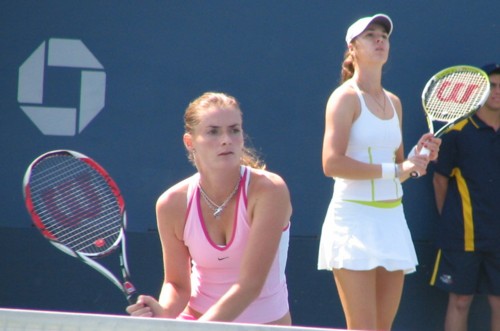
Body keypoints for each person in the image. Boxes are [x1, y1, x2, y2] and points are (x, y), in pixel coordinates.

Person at [317, 14, 441, 330]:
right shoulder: (344, 98)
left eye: (383, 35)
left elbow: (398, 171)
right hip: (353, 222)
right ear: (352, 48)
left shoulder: (395, 103)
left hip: (391, 222)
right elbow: (332, 164)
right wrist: (398, 168)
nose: (379, 40)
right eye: (370, 35)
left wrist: (416, 160)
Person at [126, 92, 292, 325]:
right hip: (196, 319)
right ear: (190, 142)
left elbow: (250, 285)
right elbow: (177, 285)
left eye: (234, 130)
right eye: (213, 131)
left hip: (262, 325)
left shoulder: (270, 190)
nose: (226, 139)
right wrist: (163, 315)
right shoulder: (171, 203)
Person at [430, 63, 500, 331]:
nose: (497, 92)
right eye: (491, 86)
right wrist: (452, 221)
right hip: (462, 236)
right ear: (479, 91)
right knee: (460, 300)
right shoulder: (456, 133)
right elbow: (439, 180)